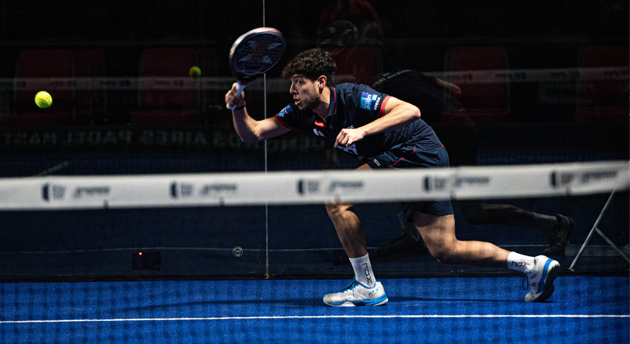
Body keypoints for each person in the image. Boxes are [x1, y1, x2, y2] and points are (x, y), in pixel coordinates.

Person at [224, 48, 560, 307]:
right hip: (420, 159)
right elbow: (252, 133)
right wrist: (238, 108)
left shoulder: (354, 96)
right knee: (445, 249)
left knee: (336, 200)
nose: (292, 90)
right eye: (291, 83)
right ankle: (532, 265)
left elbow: (409, 111)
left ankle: (367, 286)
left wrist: (361, 132)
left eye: (299, 82)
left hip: (417, 150)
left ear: (321, 82)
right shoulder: (301, 114)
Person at [371, 69, 574, 259]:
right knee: (393, 172)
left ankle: (554, 224)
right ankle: (412, 236)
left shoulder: (383, 96)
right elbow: (455, 89)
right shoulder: (409, 74)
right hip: (459, 130)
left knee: (473, 212)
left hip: (452, 136)